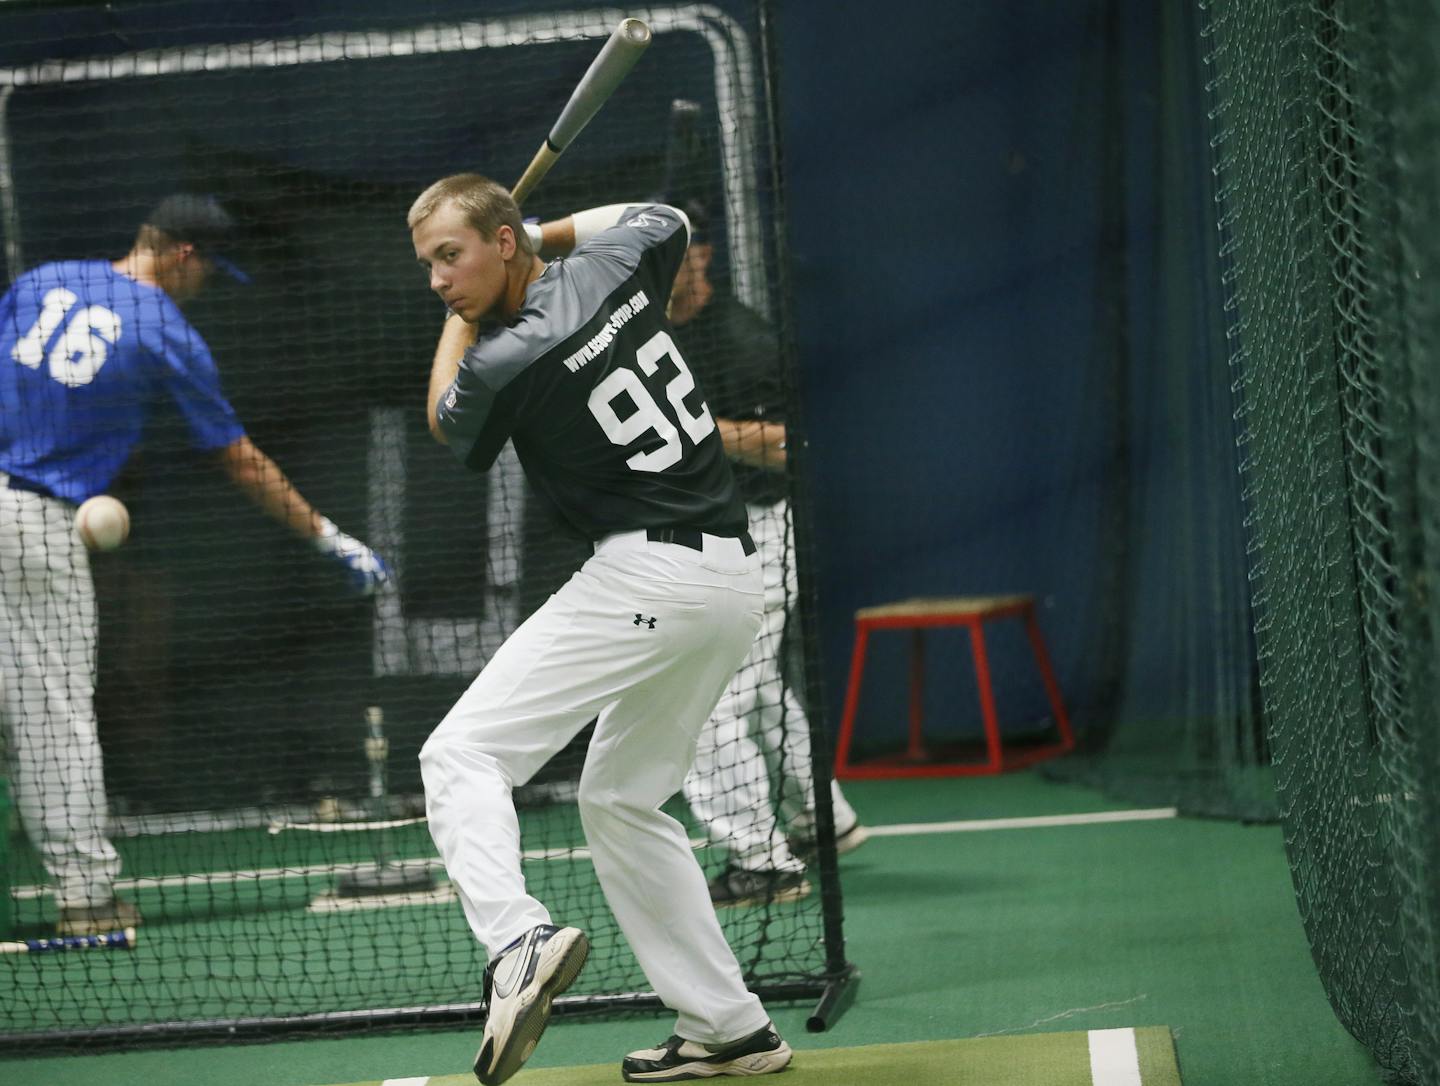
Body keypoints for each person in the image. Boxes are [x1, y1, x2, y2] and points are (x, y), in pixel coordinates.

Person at [409, 175, 793, 1085]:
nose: (436, 281)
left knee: (458, 757)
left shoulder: (505, 356)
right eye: (426, 265)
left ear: (502, 244)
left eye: (448, 257)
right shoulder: (620, 269)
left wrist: (467, 311)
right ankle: (730, 1027)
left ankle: (515, 945)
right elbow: (667, 216)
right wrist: (531, 232)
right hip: (732, 574)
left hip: (649, 572)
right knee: (619, 799)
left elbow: (442, 421)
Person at [0, 193, 391, 937]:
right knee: (54, 720)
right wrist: (330, 538)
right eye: (209, 269)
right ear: (184, 255)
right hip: (35, 525)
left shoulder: (41, 280)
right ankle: (86, 900)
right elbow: (239, 459)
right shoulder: (162, 328)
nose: (206, 284)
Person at [666, 202, 867, 908]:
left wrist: (700, 430)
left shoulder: (745, 341)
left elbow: (790, 450)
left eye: (680, 249)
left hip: (759, 544)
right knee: (761, 695)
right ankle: (825, 819)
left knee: (702, 708)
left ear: (706, 255)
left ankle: (763, 861)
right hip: (711, 542)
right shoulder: (658, 333)